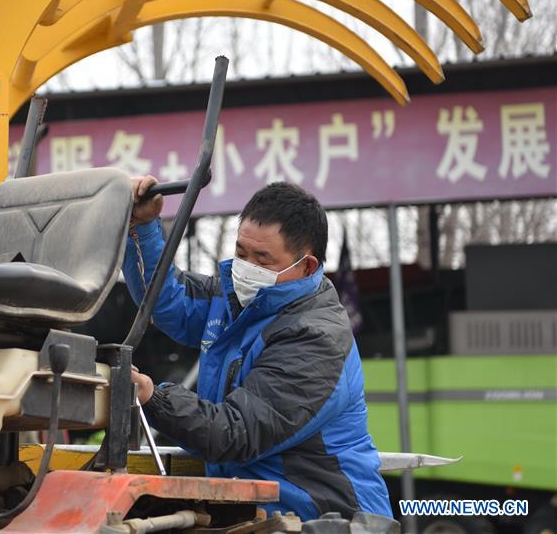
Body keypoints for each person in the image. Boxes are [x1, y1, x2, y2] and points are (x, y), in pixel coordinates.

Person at [125, 176, 392, 521]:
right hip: (253, 511)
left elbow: (236, 433)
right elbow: (165, 301)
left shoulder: (316, 339)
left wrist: (152, 397)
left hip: (322, 519)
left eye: (262, 260)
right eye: (240, 253)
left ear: (306, 266)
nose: (246, 269)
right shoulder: (234, 301)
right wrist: (143, 228)